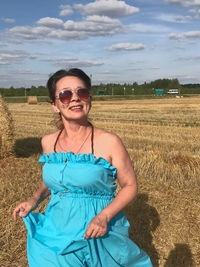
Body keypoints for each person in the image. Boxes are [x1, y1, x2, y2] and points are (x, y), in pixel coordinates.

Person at [13, 68, 152, 267]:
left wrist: (103, 217)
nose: (75, 99)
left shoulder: (109, 142)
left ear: (89, 99)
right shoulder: (48, 142)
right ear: (54, 105)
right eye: (66, 94)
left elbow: (130, 186)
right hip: (57, 230)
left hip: (99, 230)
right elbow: (54, 180)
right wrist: (33, 200)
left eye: (82, 92)